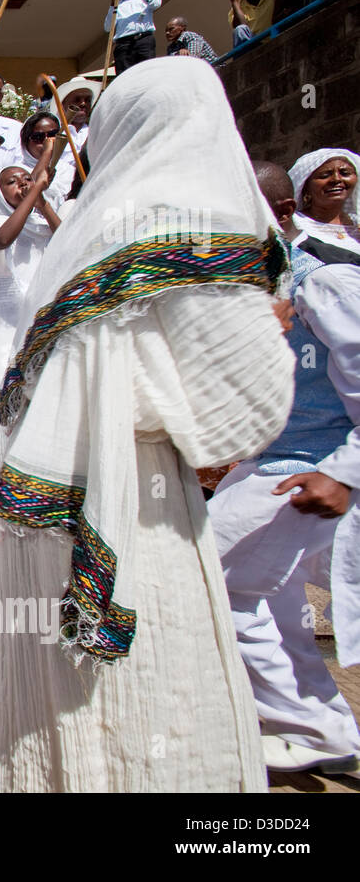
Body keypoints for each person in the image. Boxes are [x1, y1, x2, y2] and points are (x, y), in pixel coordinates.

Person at [0, 57, 293, 792]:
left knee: (47, 694)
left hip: (51, 510)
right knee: (148, 697)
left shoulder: (91, 234)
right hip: (136, 509)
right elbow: (240, 415)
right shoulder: (190, 223)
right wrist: (274, 327)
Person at [209, 152, 360, 776]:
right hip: (275, 465)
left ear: (280, 215)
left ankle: (308, 724)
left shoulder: (323, 281)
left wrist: (344, 472)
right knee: (270, 601)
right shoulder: (269, 286)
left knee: (209, 582)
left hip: (307, 472)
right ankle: (320, 725)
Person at [0, 147, 61, 526]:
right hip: (1, 329)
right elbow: (3, 240)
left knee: (38, 413)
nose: (21, 185)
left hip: (38, 330)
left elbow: (70, 240)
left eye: (25, 179)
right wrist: (35, 193)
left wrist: (44, 202)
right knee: (3, 412)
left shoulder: (42, 226)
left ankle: (31, 494)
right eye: (12, 181)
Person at [288, 148, 360, 248]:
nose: (336, 179)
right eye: (324, 175)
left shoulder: (357, 223)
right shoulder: (294, 224)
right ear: (305, 186)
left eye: (345, 173)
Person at [105, 0, 162, 73]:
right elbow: (108, 27)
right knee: (125, 76)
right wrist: (113, 4)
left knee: (147, 72)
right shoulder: (119, 4)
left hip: (143, 41)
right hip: (124, 44)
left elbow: (156, 3)